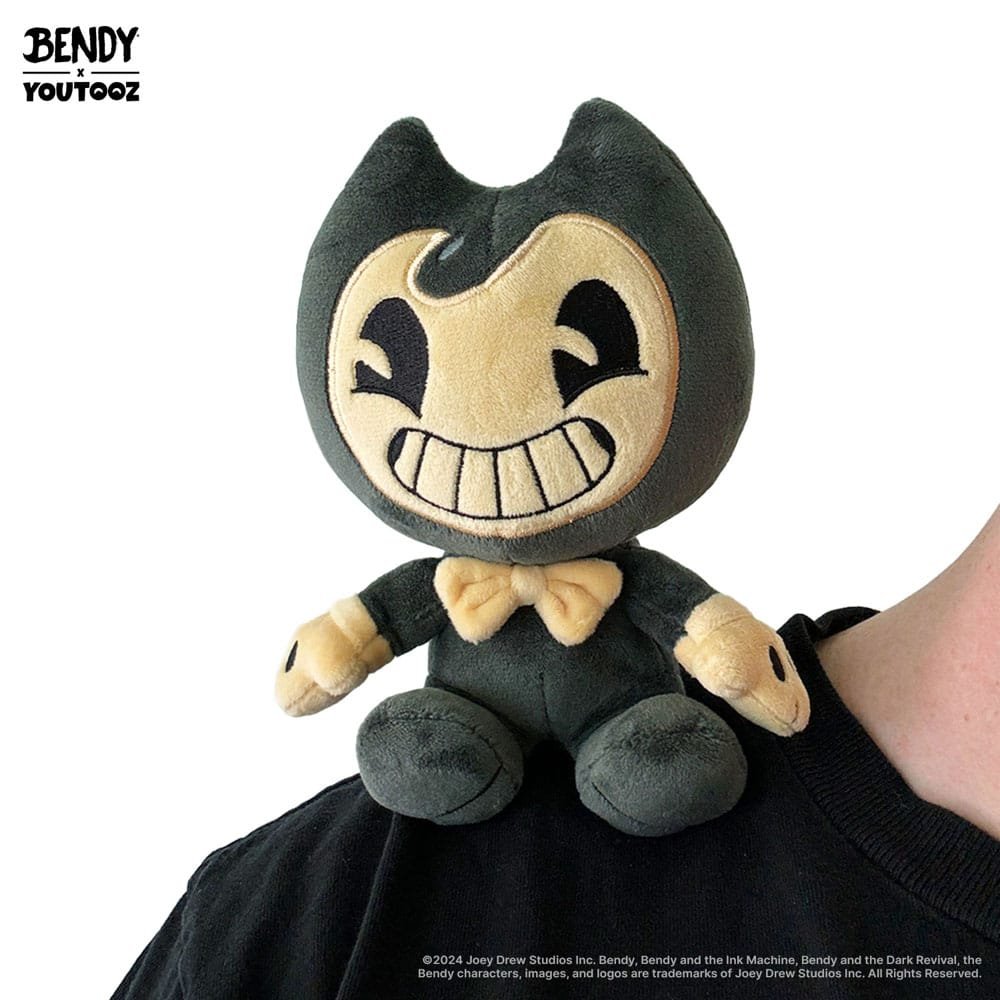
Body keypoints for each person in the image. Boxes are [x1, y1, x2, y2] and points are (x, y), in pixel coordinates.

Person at [112, 507, 999, 999]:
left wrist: (740, 664)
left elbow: (695, 621)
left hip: (627, 715)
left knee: (663, 755)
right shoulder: (289, 929)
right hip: (466, 716)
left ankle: (637, 758)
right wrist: (329, 654)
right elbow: (374, 621)